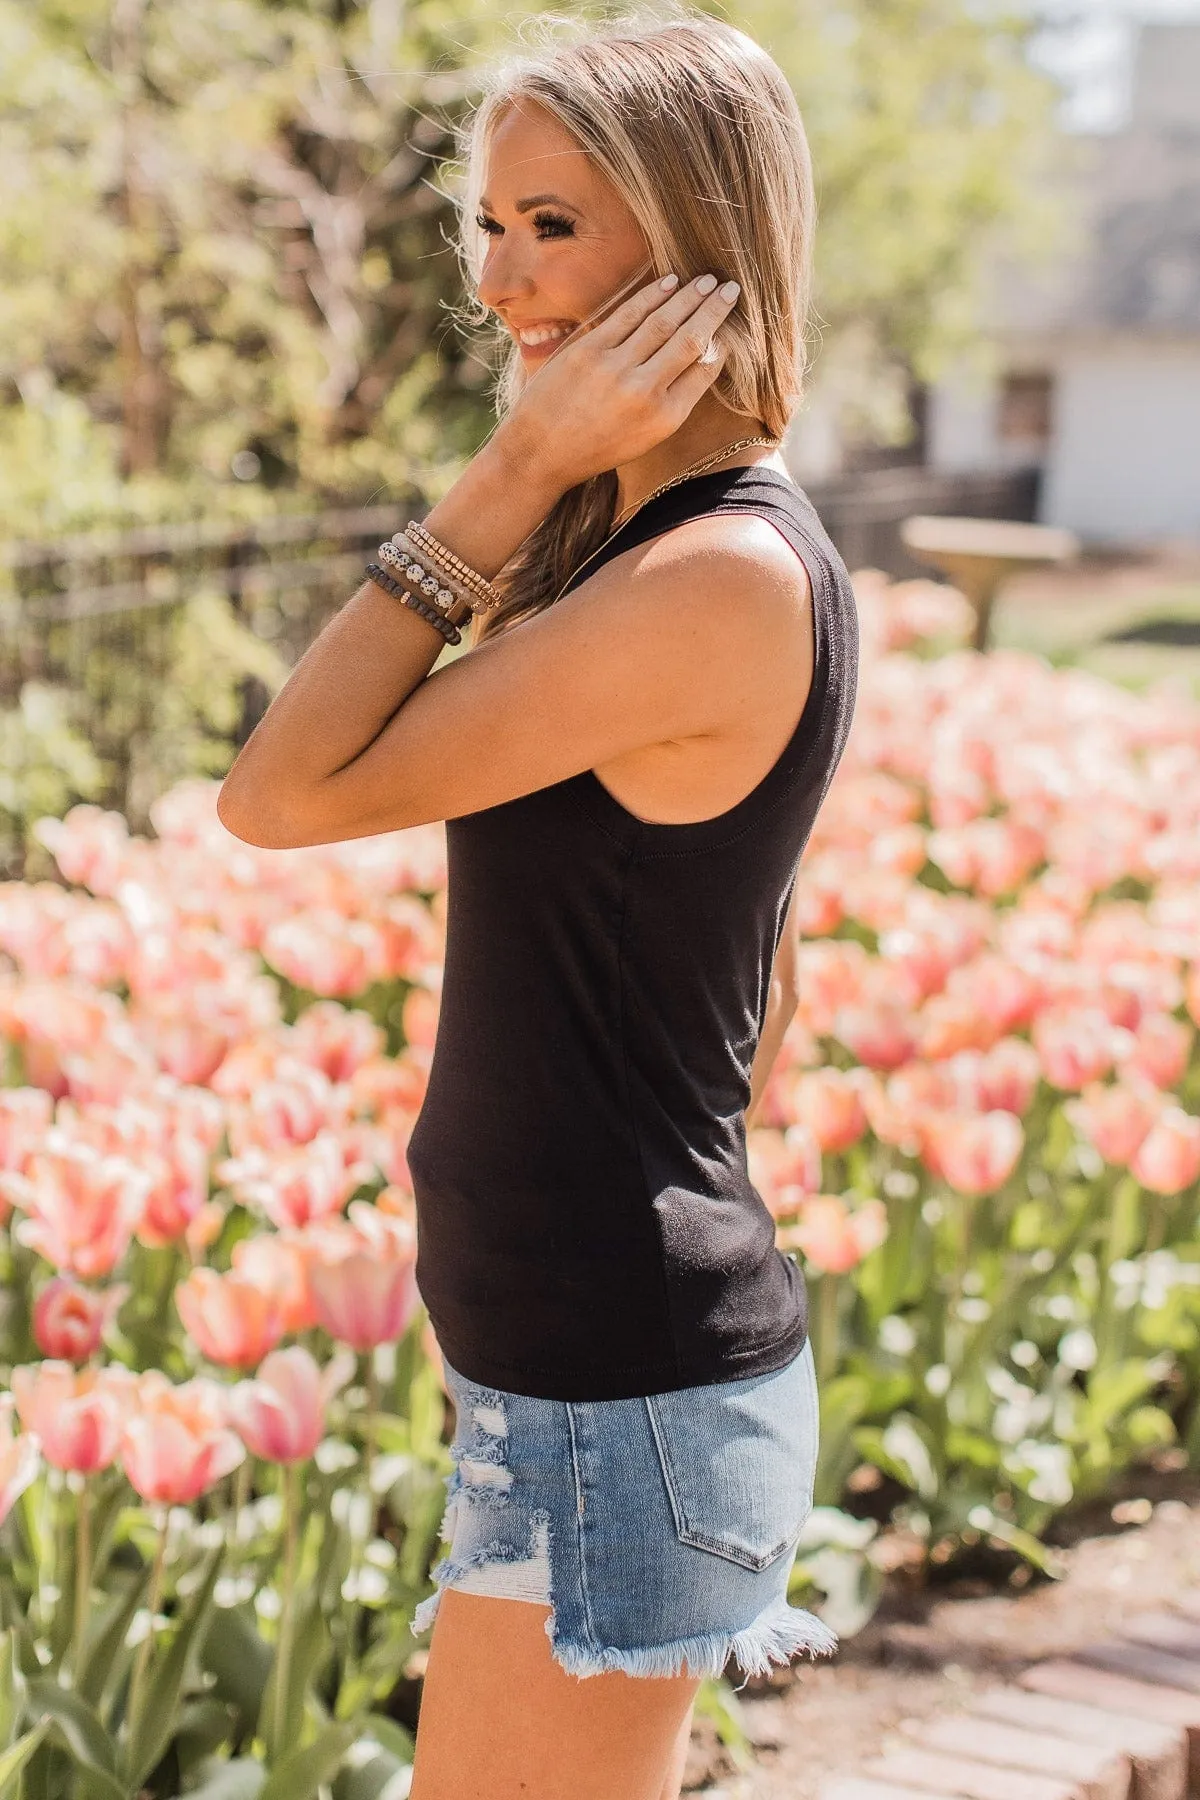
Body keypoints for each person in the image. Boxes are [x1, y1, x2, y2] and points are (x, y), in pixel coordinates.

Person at [217, 4, 860, 1795]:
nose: (501, 285)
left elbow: (280, 794)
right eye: (486, 226)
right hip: (584, 1380)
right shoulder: (650, 551)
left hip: (622, 1397)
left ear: (704, 241)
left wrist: (508, 471)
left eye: (554, 223)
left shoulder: (716, 577)